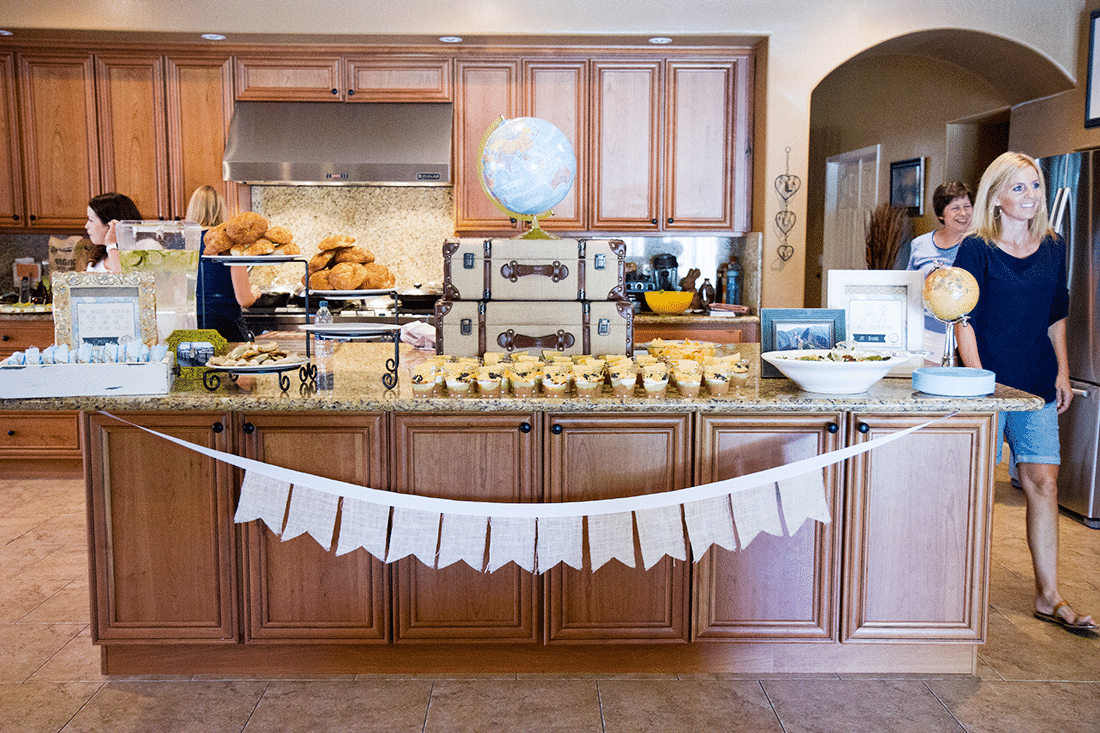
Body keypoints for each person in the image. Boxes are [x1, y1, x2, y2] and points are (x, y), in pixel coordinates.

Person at [953, 151, 1095, 631]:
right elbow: (962, 319)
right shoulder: (976, 248)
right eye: (1019, 187)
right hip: (987, 383)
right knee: (976, 489)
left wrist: (1062, 371)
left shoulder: (1053, 245)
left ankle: (1048, 595)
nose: (1031, 196)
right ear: (996, 195)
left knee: (1044, 481)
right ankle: (958, 589)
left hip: (1035, 381)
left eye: (1035, 185)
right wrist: (980, 383)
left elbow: (1057, 314)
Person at [905, 181, 974, 356]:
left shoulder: (978, 245)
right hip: (926, 331)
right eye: (955, 208)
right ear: (941, 214)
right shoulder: (920, 244)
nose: (964, 213)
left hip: (967, 332)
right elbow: (909, 287)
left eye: (967, 206)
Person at [188, 185, 259, 342]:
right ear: (222, 209)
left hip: (190, 328)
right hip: (227, 327)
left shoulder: (182, 242)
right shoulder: (228, 243)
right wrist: (255, 293)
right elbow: (244, 299)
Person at [82, 192, 142, 273]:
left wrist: (111, 245)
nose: (86, 226)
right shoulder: (99, 257)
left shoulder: (143, 250)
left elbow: (126, 280)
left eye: (91, 220)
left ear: (111, 224)